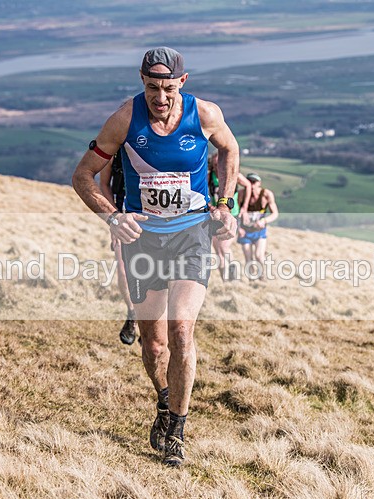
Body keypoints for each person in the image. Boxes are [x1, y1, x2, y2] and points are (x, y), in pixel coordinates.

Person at [72, 47, 239, 467]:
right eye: (151, 88)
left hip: (191, 236)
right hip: (143, 243)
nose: (160, 98)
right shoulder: (125, 119)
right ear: (141, 82)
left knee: (182, 329)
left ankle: (177, 431)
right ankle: (164, 402)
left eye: (167, 88)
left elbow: (229, 149)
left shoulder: (204, 114)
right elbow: (82, 175)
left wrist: (224, 202)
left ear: (182, 82)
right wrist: (112, 217)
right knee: (155, 343)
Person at [99, 148, 137, 345]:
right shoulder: (113, 149)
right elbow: (104, 184)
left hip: (152, 219)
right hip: (122, 219)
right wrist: (113, 220)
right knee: (123, 271)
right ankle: (132, 314)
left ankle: (152, 322)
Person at [208, 150, 251, 281]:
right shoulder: (209, 176)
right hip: (215, 215)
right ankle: (225, 280)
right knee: (218, 250)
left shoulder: (233, 174)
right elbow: (203, 192)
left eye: (219, 163)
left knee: (224, 247)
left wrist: (244, 207)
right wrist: (210, 206)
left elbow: (248, 185)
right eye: (215, 164)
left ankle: (234, 276)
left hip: (232, 214)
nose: (217, 166)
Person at [238, 172, 279, 280]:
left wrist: (264, 220)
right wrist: (238, 227)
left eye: (254, 182)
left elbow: (275, 213)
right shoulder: (241, 194)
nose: (252, 185)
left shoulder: (266, 194)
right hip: (245, 231)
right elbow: (235, 212)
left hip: (260, 231)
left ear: (259, 183)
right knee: (248, 258)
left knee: (259, 255)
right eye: (249, 182)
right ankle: (252, 280)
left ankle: (263, 277)